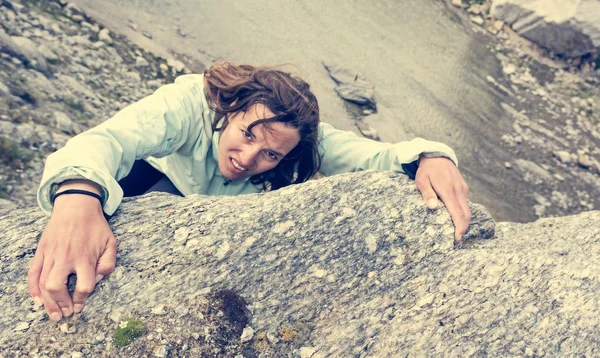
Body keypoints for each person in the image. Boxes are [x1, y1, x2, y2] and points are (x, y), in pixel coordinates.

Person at [28, 62, 471, 322]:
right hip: (156, 180)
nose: (249, 157)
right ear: (232, 108)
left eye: (271, 156)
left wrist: (434, 156)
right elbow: (108, 140)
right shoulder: (191, 102)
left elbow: (375, 156)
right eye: (247, 134)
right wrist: (77, 197)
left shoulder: (302, 144)